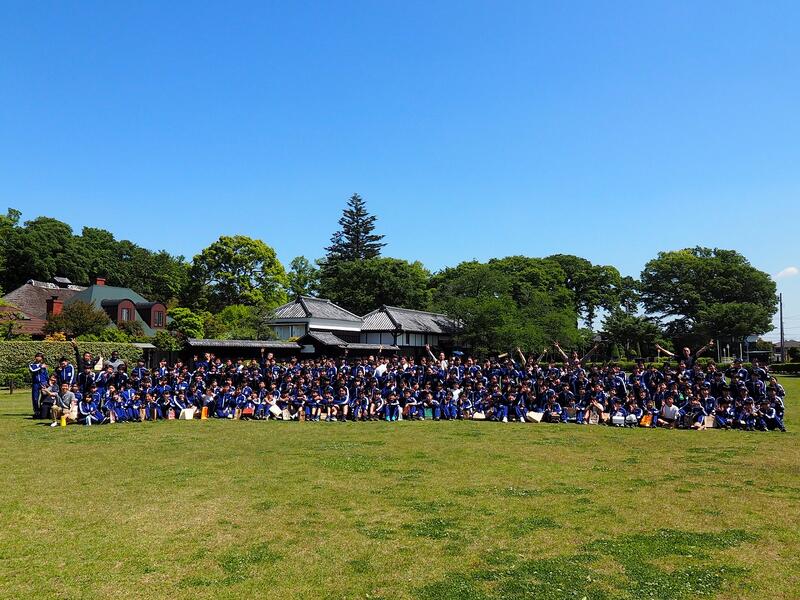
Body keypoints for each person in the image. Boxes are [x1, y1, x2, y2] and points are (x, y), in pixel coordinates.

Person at [28, 353, 49, 418]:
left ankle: (43, 411)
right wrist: (40, 367)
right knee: (35, 398)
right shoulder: (32, 365)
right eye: (37, 356)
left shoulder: (43, 365)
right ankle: (36, 411)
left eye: (40, 357)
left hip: (43, 383)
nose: (38, 358)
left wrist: (47, 382)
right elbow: (33, 370)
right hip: (35, 383)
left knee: (44, 397)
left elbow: (46, 374)